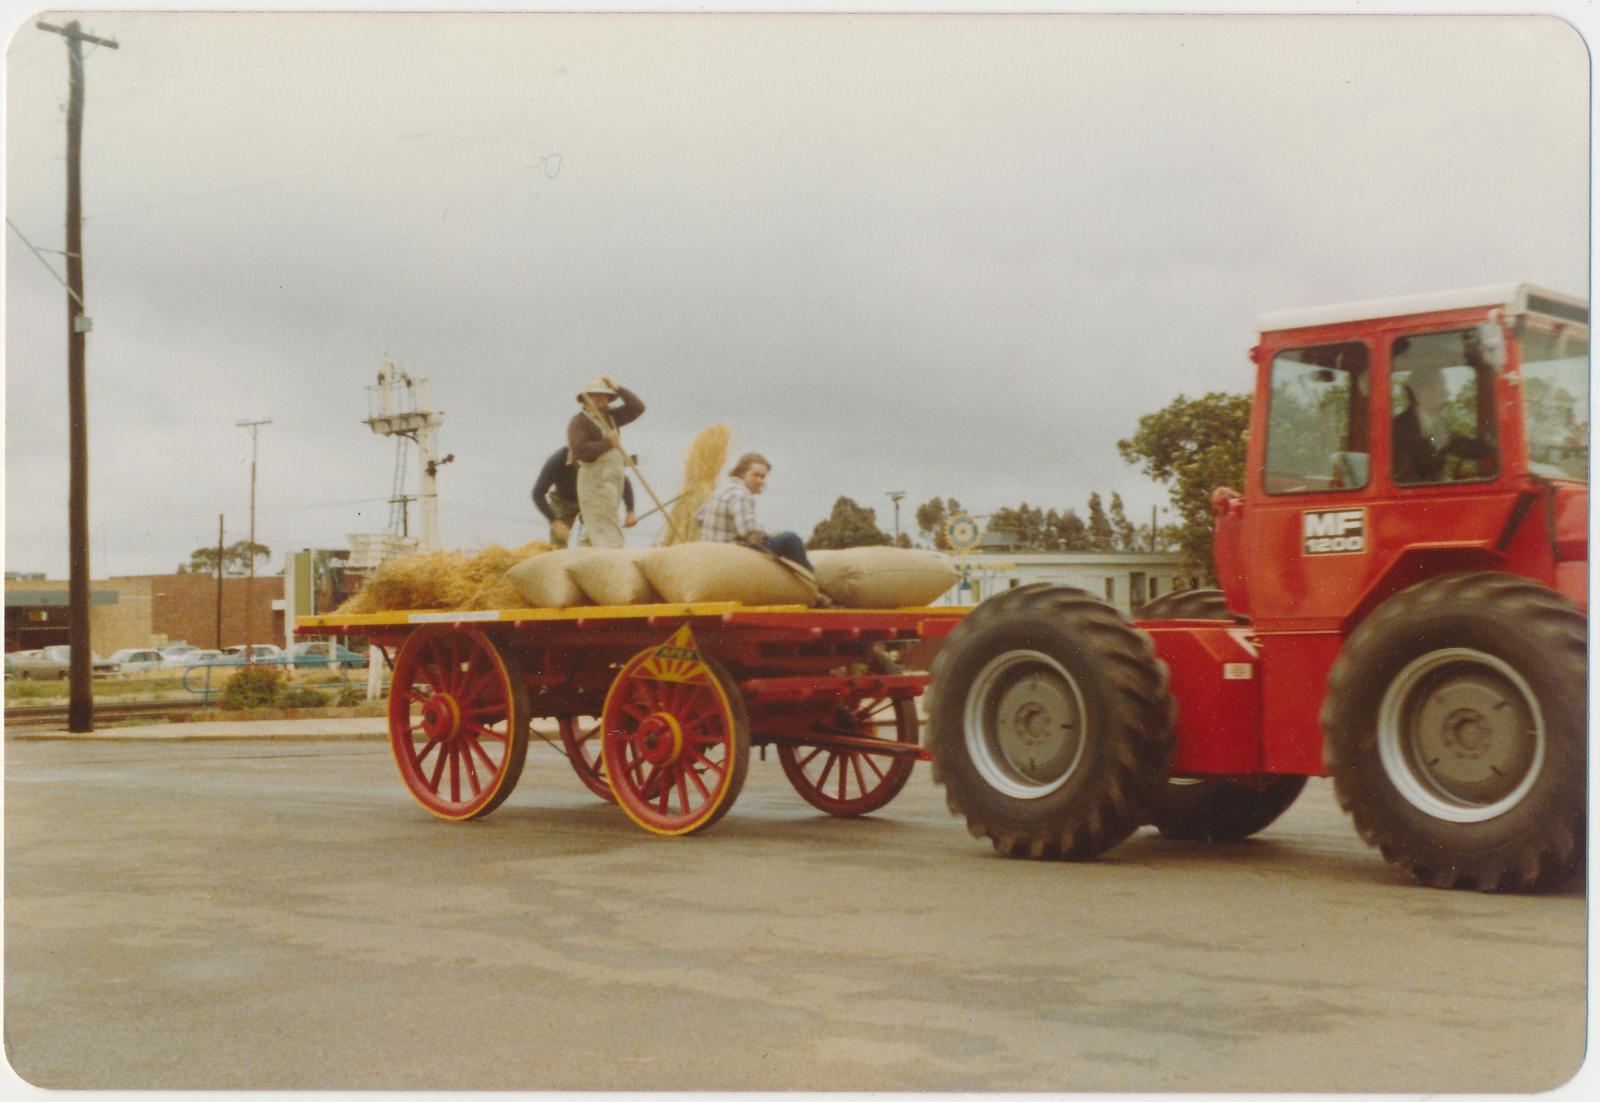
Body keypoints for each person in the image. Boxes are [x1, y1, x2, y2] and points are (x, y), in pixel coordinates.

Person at [695, 452, 813, 571]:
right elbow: (748, 531)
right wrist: (768, 534)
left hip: (709, 549)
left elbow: (699, 518)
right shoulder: (741, 493)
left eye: (763, 477)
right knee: (791, 539)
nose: (760, 481)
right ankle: (812, 580)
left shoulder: (722, 489)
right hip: (731, 553)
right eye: (755, 475)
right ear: (742, 473)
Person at [567, 377, 645, 548]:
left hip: (612, 482)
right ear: (586, 398)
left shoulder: (612, 418)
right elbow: (580, 451)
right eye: (595, 395)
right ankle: (612, 566)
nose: (600, 398)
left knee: (594, 529)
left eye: (604, 395)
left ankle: (582, 563)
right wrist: (608, 443)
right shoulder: (579, 422)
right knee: (606, 530)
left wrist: (617, 387)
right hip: (595, 483)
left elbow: (637, 408)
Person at [1391, 364, 1494, 485]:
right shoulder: (1399, 429)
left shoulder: (1439, 424)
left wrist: (1492, 442)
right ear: (1424, 392)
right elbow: (1406, 481)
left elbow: (1462, 446)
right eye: (1442, 386)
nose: (1447, 392)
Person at [531, 445, 636, 546]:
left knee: (597, 538)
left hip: (591, 499)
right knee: (558, 542)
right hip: (564, 502)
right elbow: (537, 492)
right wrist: (554, 521)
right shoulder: (557, 460)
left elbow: (621, 481)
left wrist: (630, 511)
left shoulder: (599, 458)